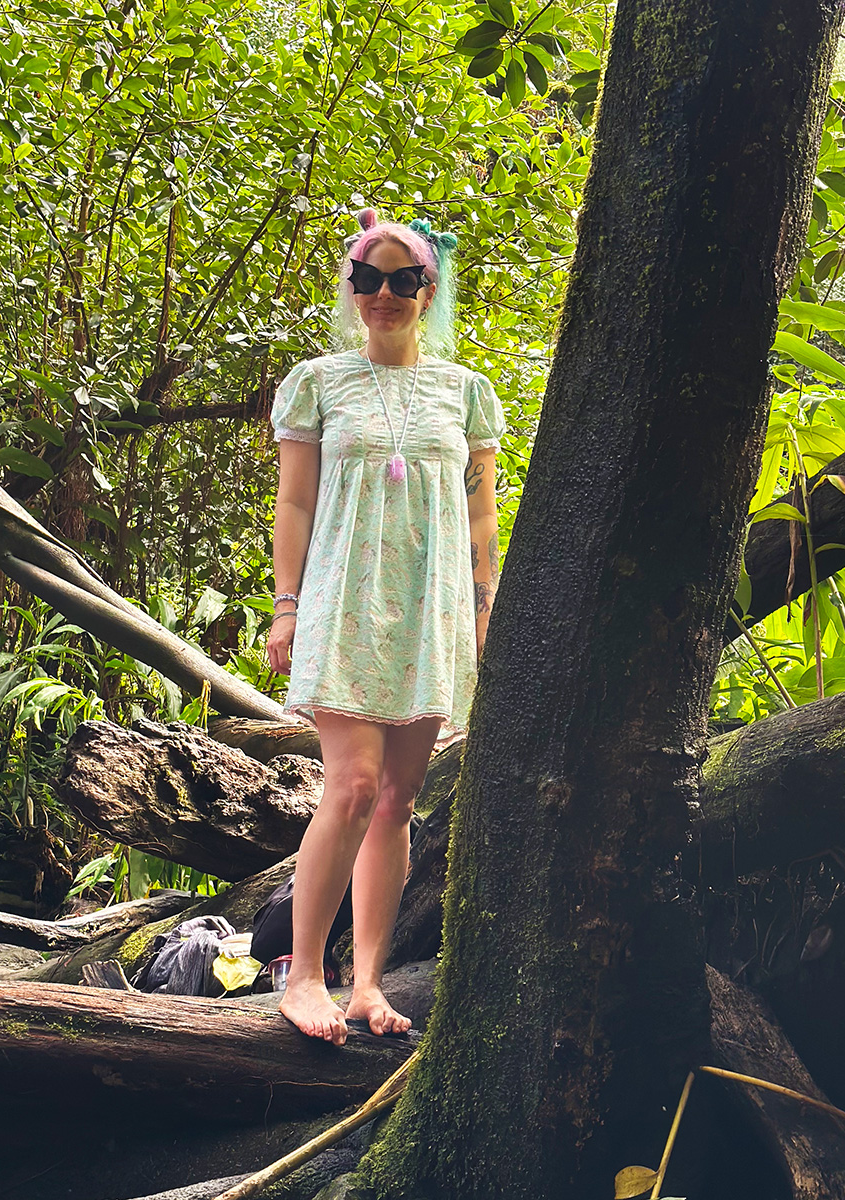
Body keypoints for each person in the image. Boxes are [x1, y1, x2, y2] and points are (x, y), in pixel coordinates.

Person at [266, 210, 505, 1044]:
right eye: (369, 278)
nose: (385, 295)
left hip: (431, 611)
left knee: (399, 800)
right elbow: (294, 502)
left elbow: (481, 519)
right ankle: (302, 976)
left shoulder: (465, 392)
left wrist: (484, 612)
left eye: (405, 280)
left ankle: (366, 983)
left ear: (428, 290)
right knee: (354, 786)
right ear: (351, 287)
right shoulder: (319, 382)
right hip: (343, 601)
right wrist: (286, 604)